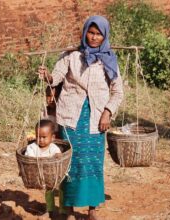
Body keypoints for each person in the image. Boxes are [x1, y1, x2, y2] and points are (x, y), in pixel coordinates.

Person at [38, 15, 123, 220]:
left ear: (104, 36)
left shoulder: (109, 59)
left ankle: (92, 208)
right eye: (90, 33)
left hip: (96, 119)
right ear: (85, 33)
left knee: (93, 162)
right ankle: (68, 209)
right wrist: (47, 76)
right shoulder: (71, 56)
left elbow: (117, 91)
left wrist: (107, 112)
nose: (93, 38)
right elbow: (56, 79)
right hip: (70, 117)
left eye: (98, 34)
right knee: (70, 162)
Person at [24, 119, 62, 218]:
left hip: (54, 174)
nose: (40, 140)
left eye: (44, 137)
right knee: (49, 191)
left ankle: (63, 211)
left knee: (62, 190)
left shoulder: (53, 147)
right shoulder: (32, 147)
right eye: (38, 137)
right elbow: (29, 157)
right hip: (41, 176)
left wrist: (58, 155)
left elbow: (58, 154)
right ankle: (50, 210)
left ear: (52, 137)